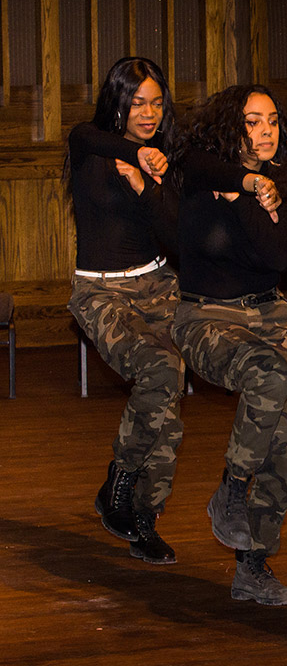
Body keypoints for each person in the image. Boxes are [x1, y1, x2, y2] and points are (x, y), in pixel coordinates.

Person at [171, 84, 287, 604]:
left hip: (269, 314)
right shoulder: (202, 170)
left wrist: (254, 198)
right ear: (231, 127)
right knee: (268, 376)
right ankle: (230, 488)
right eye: (253, 121)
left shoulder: (281, 184)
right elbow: (198, 163)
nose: (267, 130)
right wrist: (245, 182)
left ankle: (253, 566)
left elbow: (278, 258)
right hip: (206, 314)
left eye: (272, 120)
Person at [65, 57, 181, 564]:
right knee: (161, 370)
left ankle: (141, 518)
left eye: (157, 103)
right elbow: (88, 137)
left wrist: (149, 182)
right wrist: (140, 155)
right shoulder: (90, 142)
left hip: (158, 284)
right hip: (101, 291)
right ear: (118, 100)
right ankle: (121, 476)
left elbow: (175, 229)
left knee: (167, 406)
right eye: (138, 103)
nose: (149, 113)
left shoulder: (163, 159)